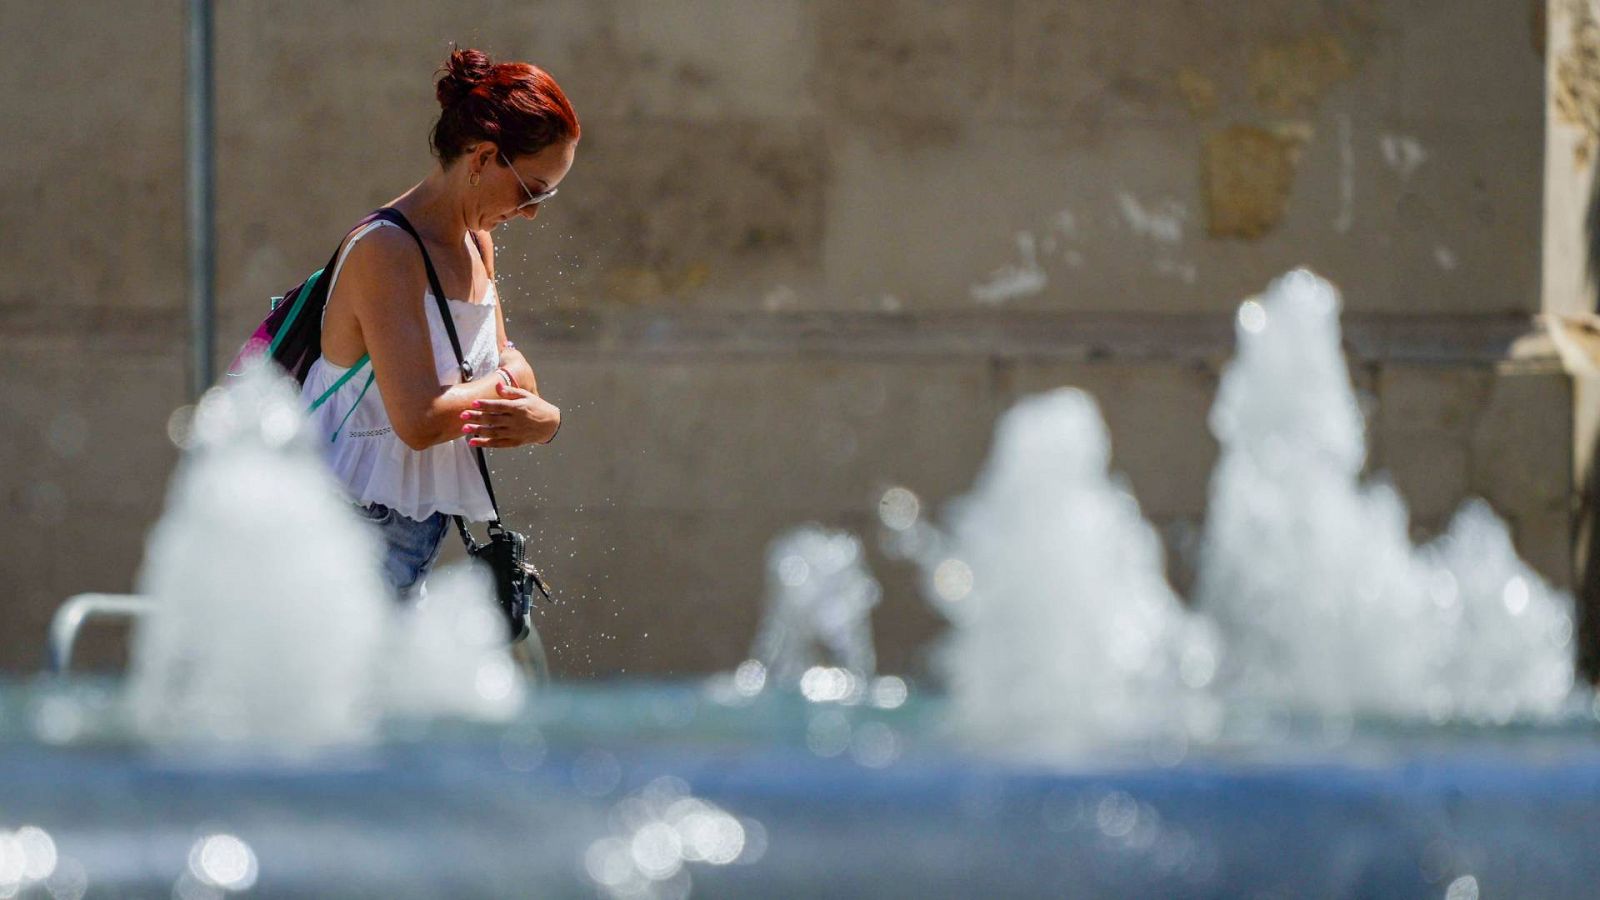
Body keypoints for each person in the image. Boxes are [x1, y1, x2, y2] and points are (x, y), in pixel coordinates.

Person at [301, 47, 577, 597]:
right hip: (343, 526)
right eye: (531, 191)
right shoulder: (387, 251)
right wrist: (527, 406)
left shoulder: (477, 242)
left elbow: (508, 362)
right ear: (481, 158)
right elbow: (422, 419)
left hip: (409, 524)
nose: (532, 213)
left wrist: (543, 415)